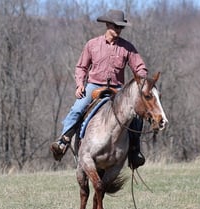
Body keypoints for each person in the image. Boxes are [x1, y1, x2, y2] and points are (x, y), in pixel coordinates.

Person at [50, 9, 148, 169]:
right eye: (116, 26)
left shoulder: (127, 48)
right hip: (94, 86)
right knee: (78, 108)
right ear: (108, 25)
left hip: (117, 89)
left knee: (136, 115)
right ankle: (63, 141)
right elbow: (81, 66)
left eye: (121, 27)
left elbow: (140, 67)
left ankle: (134, 151)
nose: (118, 30)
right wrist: (80, 84)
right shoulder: (92, 44)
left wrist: (141, 78)